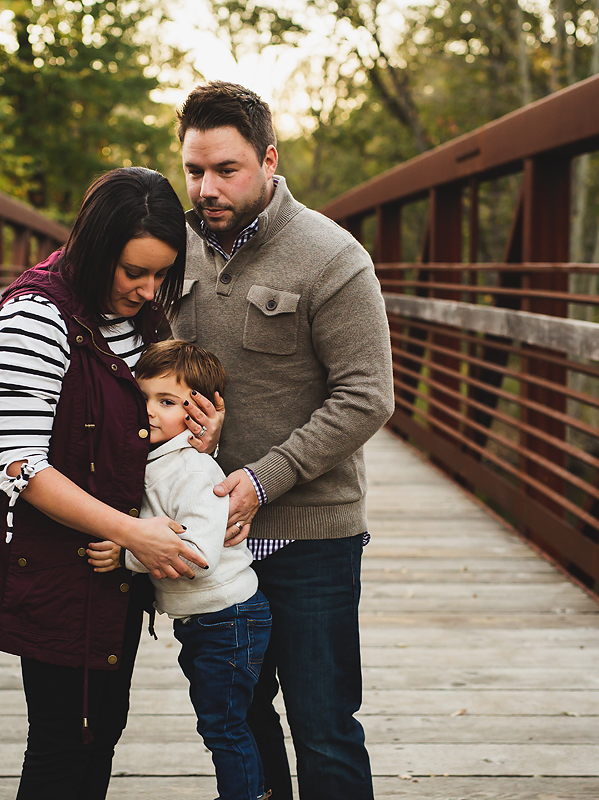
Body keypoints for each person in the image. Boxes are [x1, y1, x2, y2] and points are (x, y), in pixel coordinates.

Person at [0, 167, 221, 800]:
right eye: (133, 272)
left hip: (115, 560)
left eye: (160, 274)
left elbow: (142, 420)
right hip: (57, 561)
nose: (149, 291)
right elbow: (20, 467)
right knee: (66, 739)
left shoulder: (137, 316)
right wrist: (132, 534)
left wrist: (196, 435)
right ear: (95, 249)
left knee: (101, 730)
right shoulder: (33, 320)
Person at [171, 81, 395, 800]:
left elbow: (368, 396)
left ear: (269, 160)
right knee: (237, 718)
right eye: (193, 170)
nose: (206, 188)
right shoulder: (169, 254)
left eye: (225, 169)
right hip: (210, 535)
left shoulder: (332, 257)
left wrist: (265, 478)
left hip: (310, 538)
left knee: (325, 726)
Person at [94, 339, 271, 800]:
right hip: (206, 621)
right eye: (143, 397)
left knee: (224, 727)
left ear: (198, 413)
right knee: (222, 722)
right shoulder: (152, 460)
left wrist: (125, 555)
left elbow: (196, 554)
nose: (150, 411)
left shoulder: (192, 472)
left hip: (228, 619)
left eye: (168, 402)